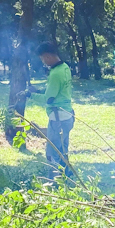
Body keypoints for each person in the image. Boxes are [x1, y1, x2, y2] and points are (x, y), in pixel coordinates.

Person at [33, 42, 74, 177]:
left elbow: (49, 98)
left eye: (42, 58)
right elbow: (56, 90)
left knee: (52, 152)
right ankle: (67, 176)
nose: (43, 62)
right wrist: (40, 90)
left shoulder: (55, 73)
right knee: (63, 149)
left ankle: (55, 180)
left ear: (48, 56)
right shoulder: (65, 67)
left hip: (58, 118)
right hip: (67, 115)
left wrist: (30, 95)